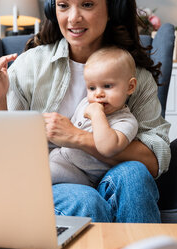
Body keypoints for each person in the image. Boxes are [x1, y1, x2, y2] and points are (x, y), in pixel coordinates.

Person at [0, 0, 171, 223]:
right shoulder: (30, 65)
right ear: (53, 9)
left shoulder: (136, 76)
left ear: (112, 8)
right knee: (85, 200)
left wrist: (77, 138)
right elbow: (3, 149)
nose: (73, 18)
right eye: (63, 5)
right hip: (53, 181)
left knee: (134, 175)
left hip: (113, 176)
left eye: (87, 4)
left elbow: (154, 161)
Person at [50, 46, 138, 187]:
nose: (98, 94)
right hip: (60, 157)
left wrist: (97, 114)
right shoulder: (86, 102)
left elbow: (107, 148)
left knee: (41, 173)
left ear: (130, 87)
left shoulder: (126, 121)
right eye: (92, 88)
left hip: (84, 175)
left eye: (107, 86)